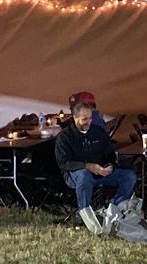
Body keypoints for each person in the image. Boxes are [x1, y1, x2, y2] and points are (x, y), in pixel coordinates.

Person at [55, 94, 137, 233]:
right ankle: (84, 213)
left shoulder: (98, 132)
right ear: (75, 118)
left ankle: (113, 208)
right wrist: (88, 166)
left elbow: (109, 154)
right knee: (84, 175)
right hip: (76, 175)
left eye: (90, 118)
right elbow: (64, 163)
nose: (88, 122)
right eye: (84, 119)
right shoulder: (65, 137)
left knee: (129, 176)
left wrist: (110, 165)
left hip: (100, 172)